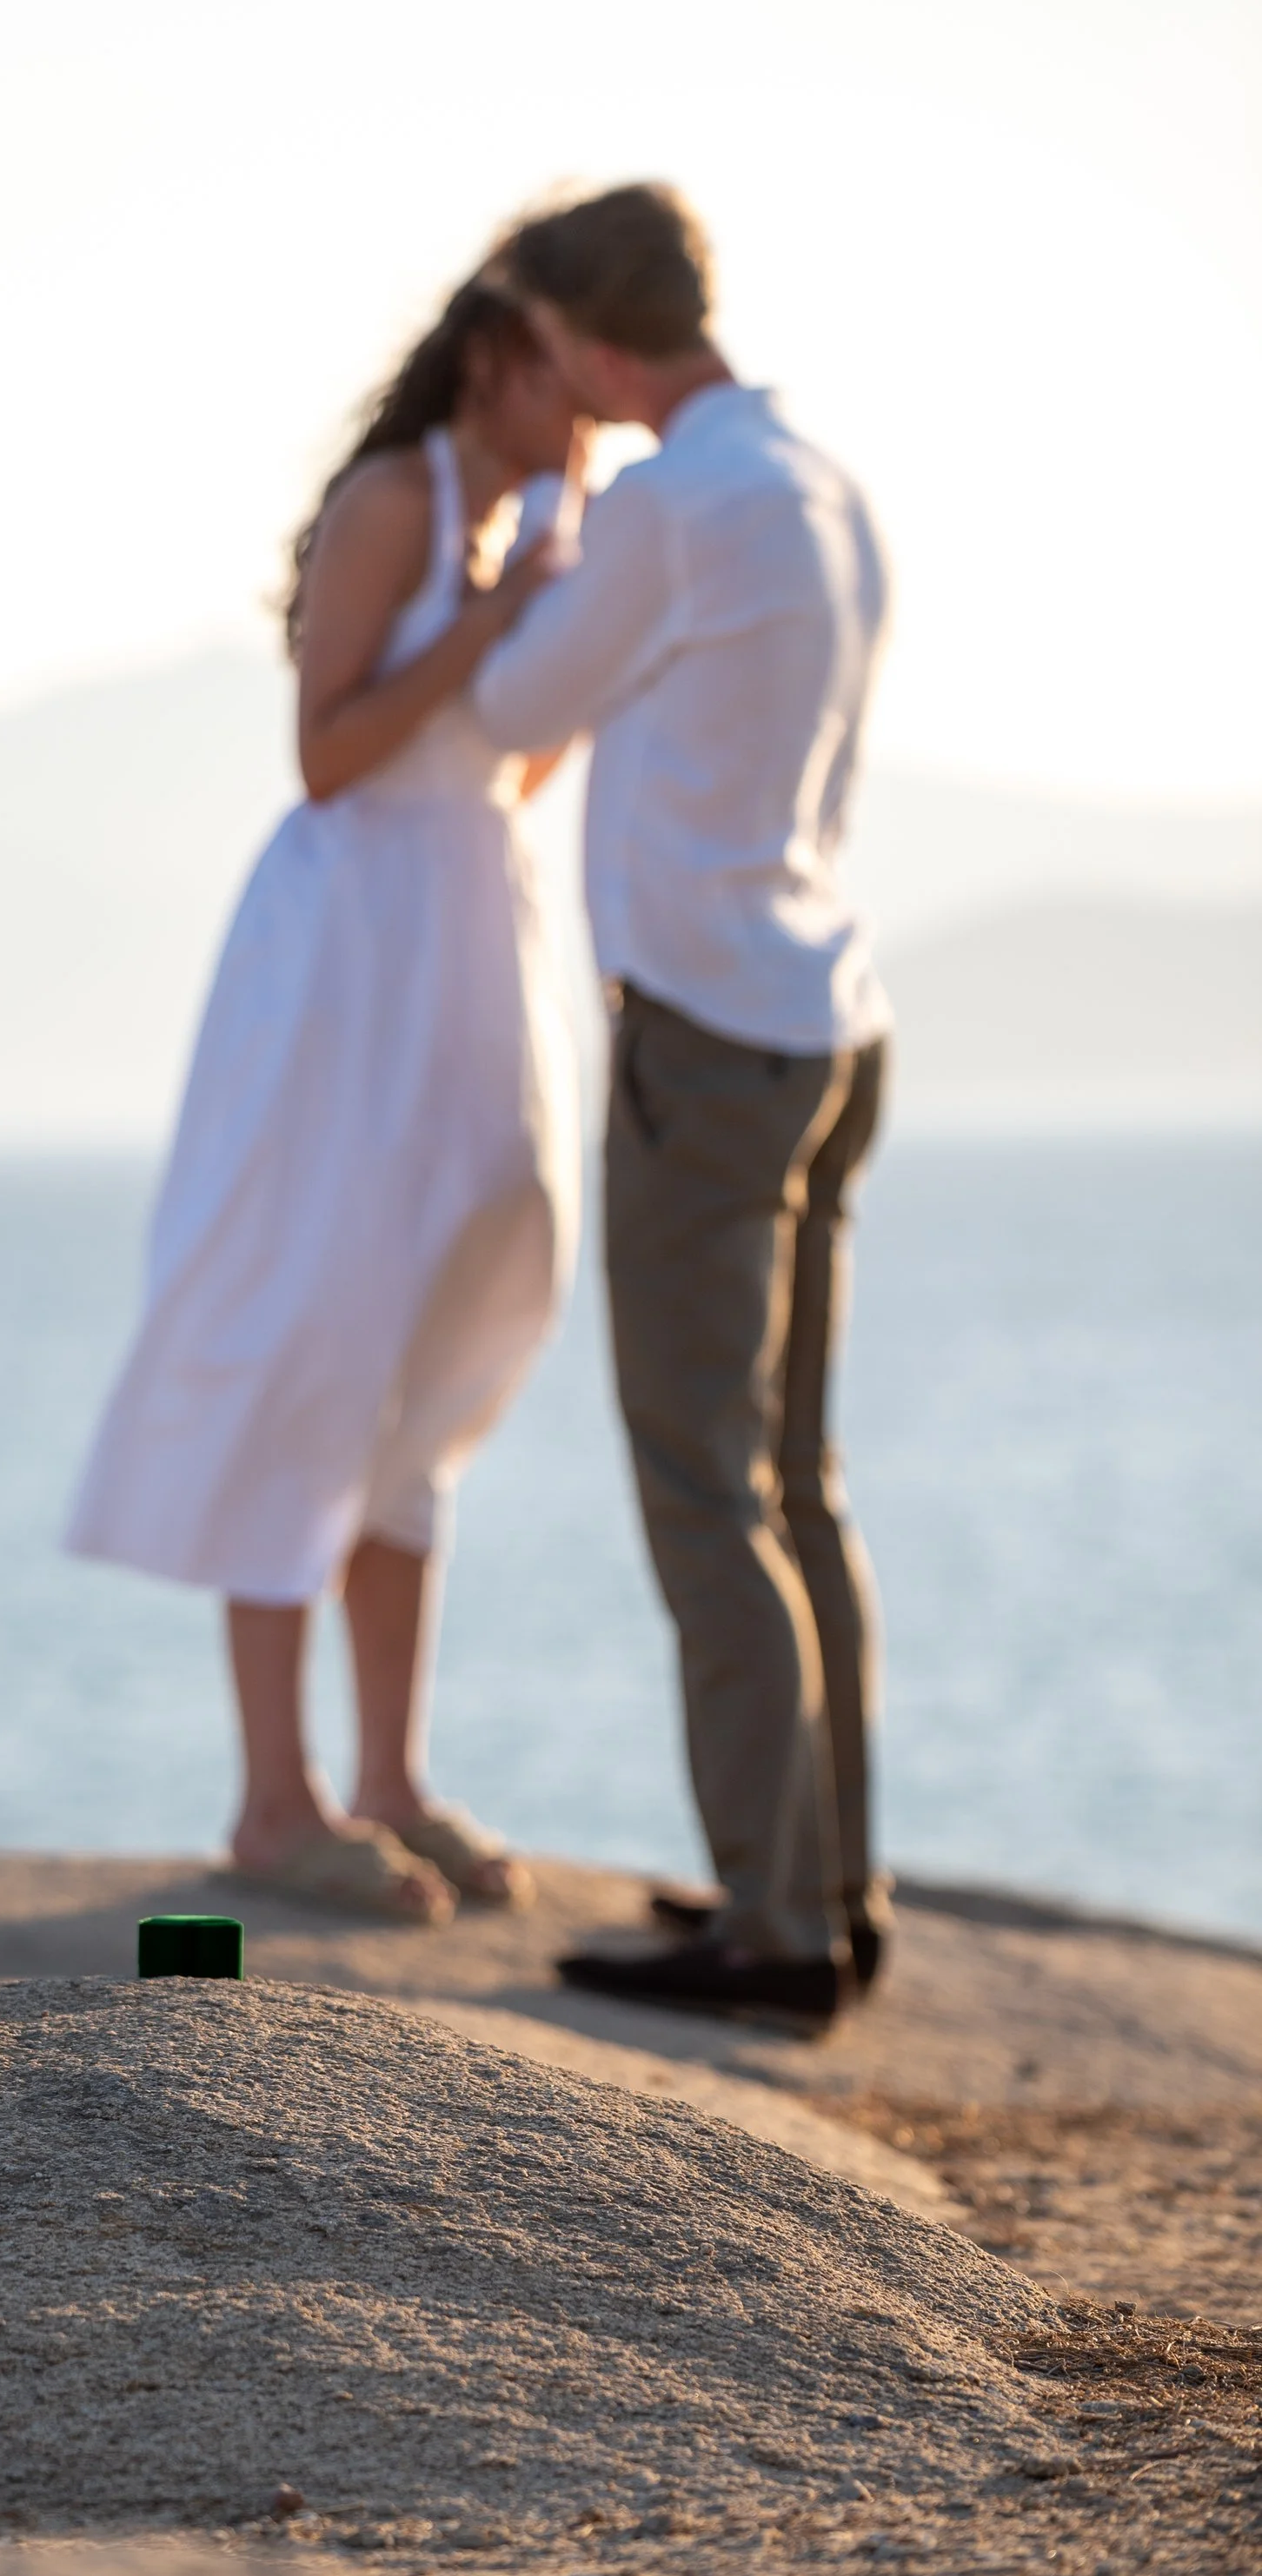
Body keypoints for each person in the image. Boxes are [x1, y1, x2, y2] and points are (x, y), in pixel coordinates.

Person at [66, 268, 586, 1923]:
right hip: (351, 952)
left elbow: (513, 763)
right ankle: (274, 1801)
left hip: (471, 940)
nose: (587, 403)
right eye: (565, 370)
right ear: (496, 362)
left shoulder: (532, 522)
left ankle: (390, 1777)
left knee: (443, 1344)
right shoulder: (392, 503)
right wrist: (502, 625)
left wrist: (555, 612)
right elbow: (329, 750)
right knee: (308, 1332)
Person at [473, 184, 893, 2028]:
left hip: (705, 1036)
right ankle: (825, 1882)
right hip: (827, 1012)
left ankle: (769, 1928)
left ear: (580, 343)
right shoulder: (814, 479)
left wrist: (546, 525)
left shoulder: (662, 509)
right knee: (793, 1486)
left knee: (699, 1489)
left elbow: (506, 704)